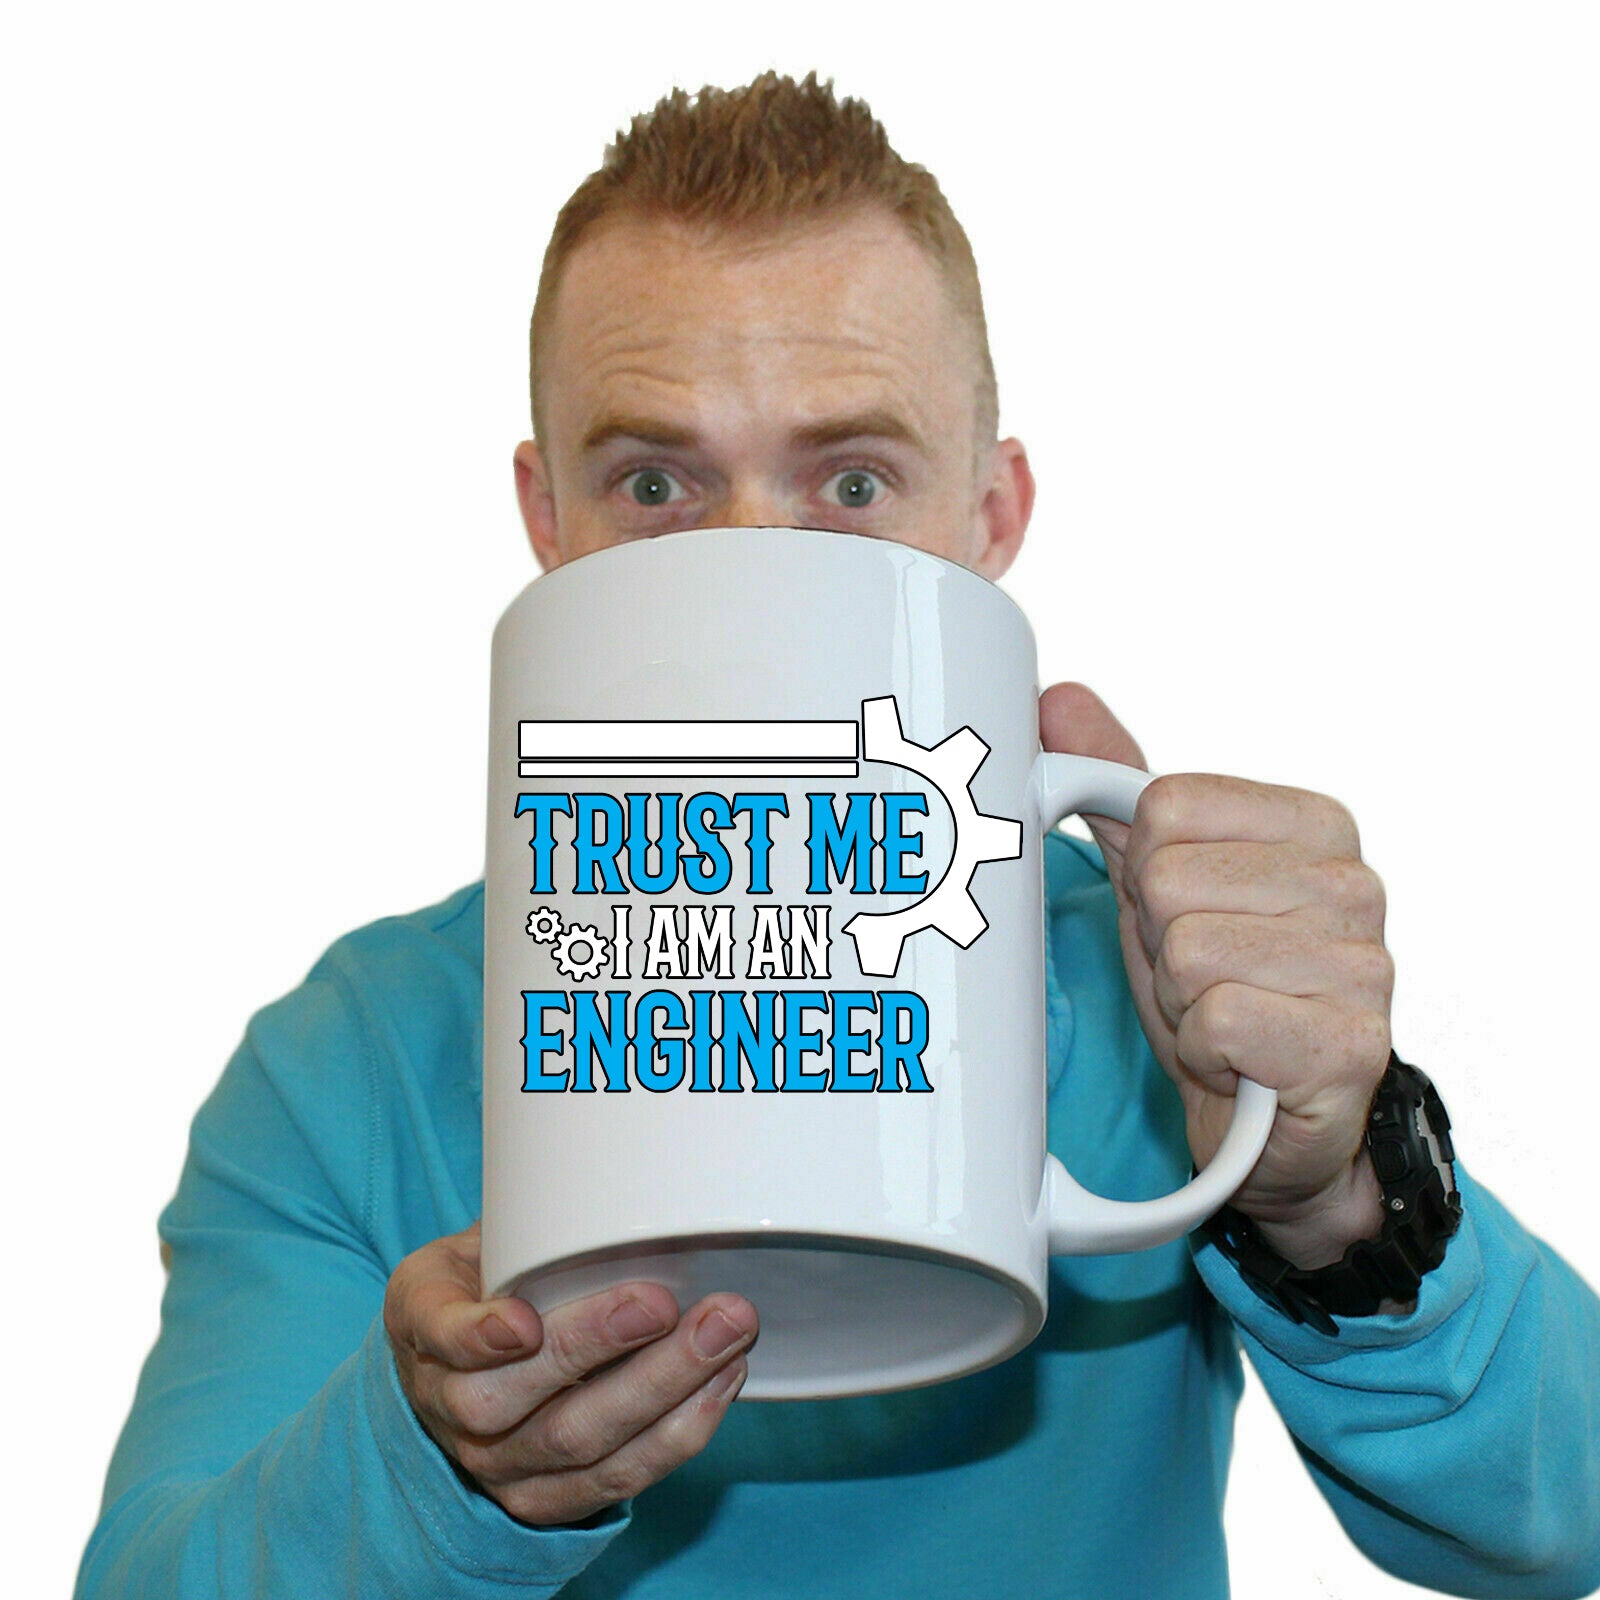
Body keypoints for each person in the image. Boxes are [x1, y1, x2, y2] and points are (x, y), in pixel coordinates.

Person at [76, 71, 1600, 1599]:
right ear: (547, 522)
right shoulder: (348, 1067)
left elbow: (1566, 1526)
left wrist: (1332, 1198)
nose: (751, 565)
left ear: (991, 517)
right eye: (654, 482)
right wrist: (431, 1475)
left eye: (853, 481)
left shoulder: (1171, 1003)